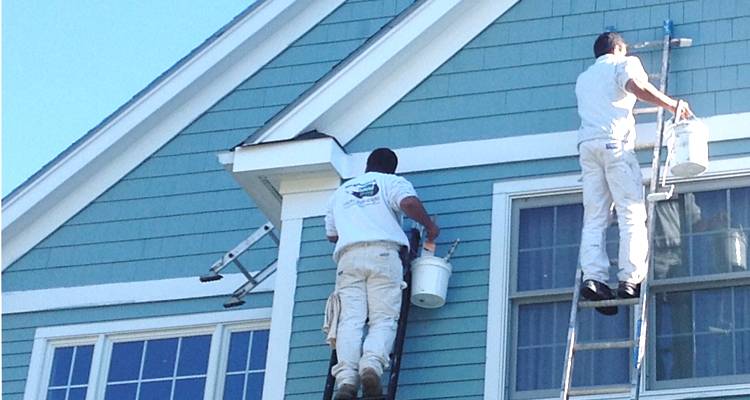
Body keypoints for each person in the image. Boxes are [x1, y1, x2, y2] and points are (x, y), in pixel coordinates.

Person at [575, 31, 693, 315]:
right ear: (617, 48)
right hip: (614, 145)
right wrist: (672, 104)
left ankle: (593, 279)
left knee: (595, 217)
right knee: (631, 213)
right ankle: (629, 280)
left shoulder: (584, 78)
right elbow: (637, 86)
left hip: (587, 148)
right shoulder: (623, 63)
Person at [325, 148, 439, 399]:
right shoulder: (391, 182)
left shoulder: (341, 192)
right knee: (383, 318)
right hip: (383, 255)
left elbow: (332, 235)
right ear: (392, 168)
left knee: (350, 321)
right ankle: (371, 368)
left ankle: (345, 381)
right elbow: (408, 203)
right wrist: (430, 227)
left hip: (349, 258)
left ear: (367, 165)